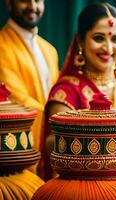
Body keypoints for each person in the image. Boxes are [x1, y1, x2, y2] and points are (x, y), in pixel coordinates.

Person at [39, 3, 116, 180]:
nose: (108, 48)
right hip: (84, 186)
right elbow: (55, 145)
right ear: (81, 41)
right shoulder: (66, 92)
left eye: (115, 39)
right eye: (99, 38)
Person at [0, 0, 59, 154]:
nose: (33, 6)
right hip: (16, 150)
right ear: (8, 3)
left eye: (38, 0)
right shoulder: (1, 46)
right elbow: (15, 100)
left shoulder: (49, 50)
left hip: (51, 144)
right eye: (25, 0)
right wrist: (59, 121)